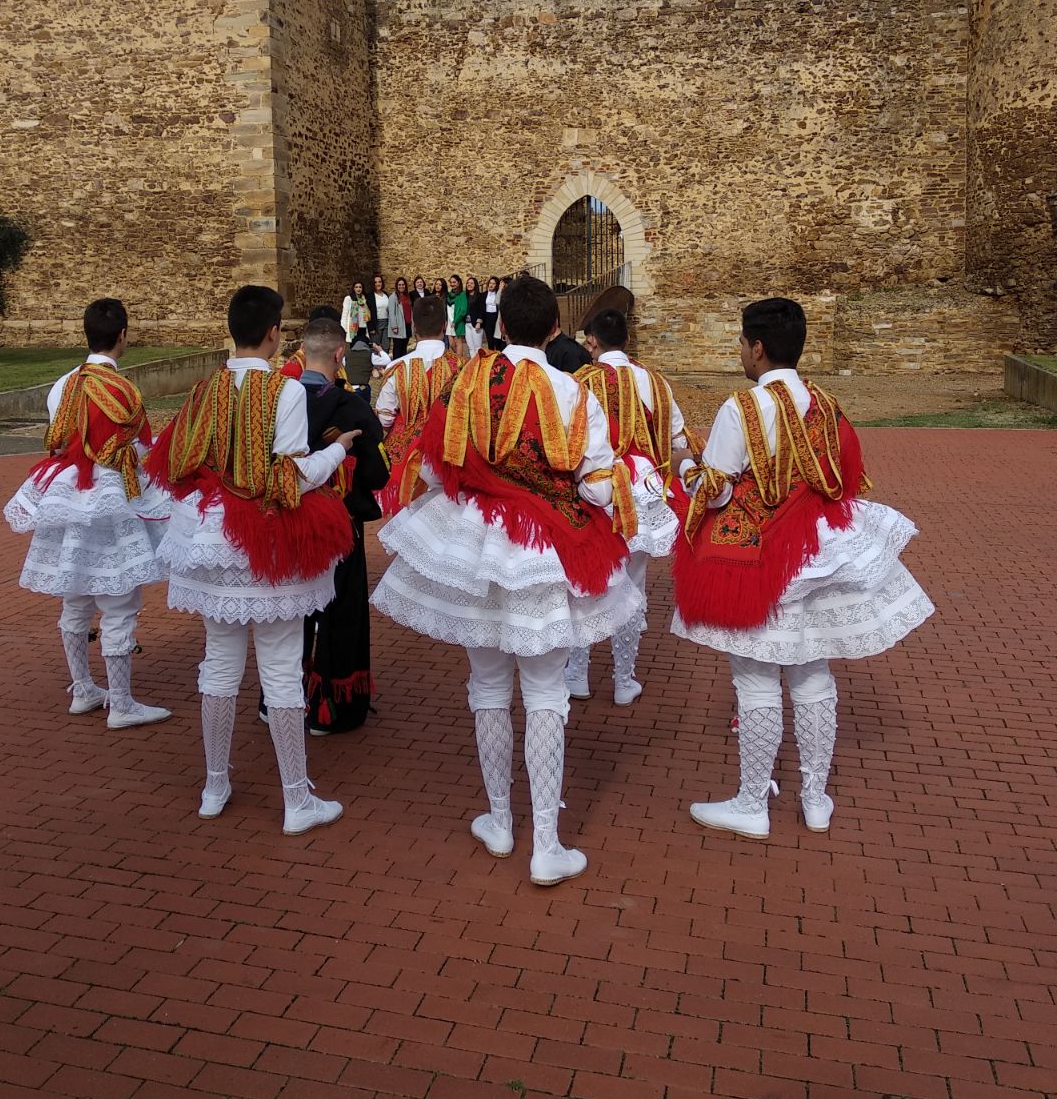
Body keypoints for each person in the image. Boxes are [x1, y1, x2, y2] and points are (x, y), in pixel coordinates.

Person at [372, 274, 643, 887]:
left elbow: (439, 469)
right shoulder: (572, 391)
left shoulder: (469, 381)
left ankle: (499, 819)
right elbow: (595, 480)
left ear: (499, 326)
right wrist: (628, 495)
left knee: (487, 683)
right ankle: (545, 840)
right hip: (546, 545)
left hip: (474, 541)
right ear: (553, 329)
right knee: (546, 688)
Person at [669, 297, 935, 839]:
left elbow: (715, 493)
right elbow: (845, 475)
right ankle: (815, 797)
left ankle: (751, 802)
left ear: (758, 348)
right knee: (814, 673)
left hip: (758, 556)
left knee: (757, 676)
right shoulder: (825, 404)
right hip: (819, 551)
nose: (741, 353)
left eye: (743, 343)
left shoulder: (741, 408)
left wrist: (685, 469)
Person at [147, 285, 359, 825]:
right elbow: (290, 478)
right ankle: (295, 798)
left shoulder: (205, 390)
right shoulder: (285, 394)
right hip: (267, 539)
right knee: (282, 669)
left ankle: (214, 787)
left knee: (219, 664)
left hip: (213, 538)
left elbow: (182, 462)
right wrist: (338, 449)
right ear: (273, 333)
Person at [3, 297, 171, 728]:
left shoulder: (62, 384)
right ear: (122, 335)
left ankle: (82, 688)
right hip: (110, 493)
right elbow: (139, 447)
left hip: (65, 494)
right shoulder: (124, 389)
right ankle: (121, 703)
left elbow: (60, 437)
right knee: (119, 601)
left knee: (74, 595)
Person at [569, 307, 692, 704]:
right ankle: (624, 679)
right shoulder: (656, 383)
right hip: (645, 487)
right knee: (633, 583)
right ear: (626, 340)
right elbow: (678, 440)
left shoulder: (582, 381)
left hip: (598, 484)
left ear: (594, 343)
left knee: (587, 578)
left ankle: (577, 672)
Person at [299, 317, 390, 734]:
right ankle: (334, 706)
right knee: (341, 610)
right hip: (338, 520)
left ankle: (280, 699)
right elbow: (377, 472)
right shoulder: (349, 405)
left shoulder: (277, 399)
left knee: (291, 612)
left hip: (286, 520)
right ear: (340, 355)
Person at [374, 293, 462, 515]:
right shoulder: (464, 368)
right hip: (451, 461)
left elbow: (384, 418)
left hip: (405, 463)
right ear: (445, 326)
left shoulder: (397, 367)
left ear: (413, 327)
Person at [388, 276, 412, 358]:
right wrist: (394, 326)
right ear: (397, 286)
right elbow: (391, 313)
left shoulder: (407, 296)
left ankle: (403, 365)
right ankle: (396, 365)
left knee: (404, 347)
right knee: (398, 347)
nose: (401, 286)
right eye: (399, 285)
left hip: (407, 325)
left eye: (403, 284)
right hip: (399, 326)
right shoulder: (393, 297)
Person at [341, 281, 372, 345]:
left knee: (363, 346)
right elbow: (344, 315)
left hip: (363, 326)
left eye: (360, 287)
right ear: (354, 288)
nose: (358, 289)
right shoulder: (349, 299)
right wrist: (344, 329)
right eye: (356, 287)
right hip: (353, 328)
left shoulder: (364, 299)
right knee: (354, 346)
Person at [464, 275, 486, 357]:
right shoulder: (465, 296)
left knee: (477, 347)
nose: (469, 284)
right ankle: (472, 364)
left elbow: (482, 309)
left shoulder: (480, 296)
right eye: (468, 283)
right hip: (467, 324)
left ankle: (478, 365)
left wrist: (479, 322)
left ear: (475, 285)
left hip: (476, 324)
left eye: (471, 283)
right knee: (470, 347)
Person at [371, 274, 391, 349]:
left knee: (386, 345)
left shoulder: (386, 294)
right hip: (376, 324)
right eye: (375, 282)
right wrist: (371, 327)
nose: (378, 284)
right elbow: (367, 312)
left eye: (379, 282)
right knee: (376, 346)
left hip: (386, 323)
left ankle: (386, 360)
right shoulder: (370, 296)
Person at [483, 276, 502, 349]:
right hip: (487, 317)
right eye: (490, 283)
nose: (491, 285)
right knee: (490, 339)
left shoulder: (498, 294)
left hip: (496, 317)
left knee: (497, 339)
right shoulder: (484, 295)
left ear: (496, 285)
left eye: (493, 284)